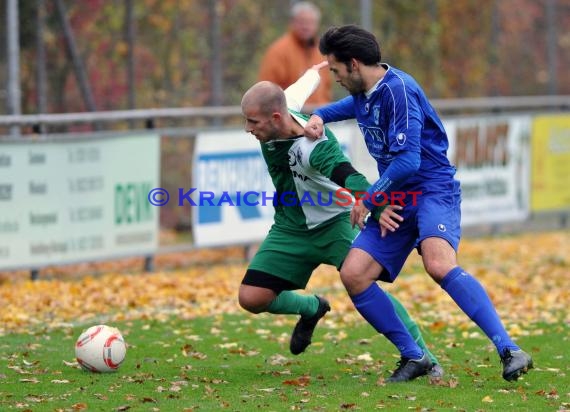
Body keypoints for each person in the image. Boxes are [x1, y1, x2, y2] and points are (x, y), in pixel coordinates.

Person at [303, 25, 533, 382]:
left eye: (334, 70)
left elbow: (409, 161)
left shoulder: (400, 92)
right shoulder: (367, 90)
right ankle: (415, 357)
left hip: (430, 188)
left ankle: (509, 349)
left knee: (438, 263)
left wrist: (370, 197)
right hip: (397, 195)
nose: (333, 77)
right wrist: (320, 115)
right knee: (354, 273)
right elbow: (353, 106)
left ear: (353, 64)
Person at [239, 61, 444, 379]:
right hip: (290, 227)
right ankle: (312, 308)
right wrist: (314, 70)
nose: (248, 129)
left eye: (252, 122)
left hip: (335, 225)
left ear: (276, 118)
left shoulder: (312, 147)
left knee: (364, 283)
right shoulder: (284, 108)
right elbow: (297, 88)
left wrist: (376, 207)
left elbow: (349, 175)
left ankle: (424, 356)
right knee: (251, 298)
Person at [257, 2, 332, 108]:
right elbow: (266, 91)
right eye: (302, 22)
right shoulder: (278, 51)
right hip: (290, 119)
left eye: (310, 22)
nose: (306, 26)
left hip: (319, 118)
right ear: (292, 23)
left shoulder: (321, 51)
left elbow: (327, 88)